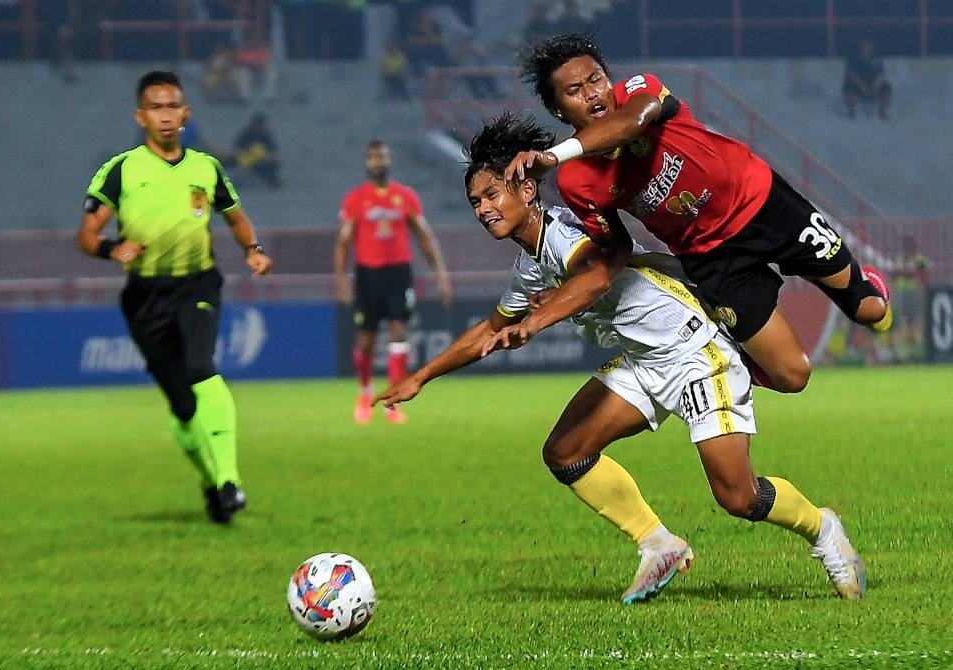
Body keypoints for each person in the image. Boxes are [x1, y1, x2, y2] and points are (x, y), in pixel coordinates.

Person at [376, 113, 865, 602]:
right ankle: (658, 545)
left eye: (491, 194)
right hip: (642, 362)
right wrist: (420, 377)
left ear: (527, 190)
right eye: (475, 202)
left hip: (693, 351)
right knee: (566, 451)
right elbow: (491, 326)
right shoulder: (530, 265)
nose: (483, 209)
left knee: (737, 497)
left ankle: (822, 529)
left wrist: (534, 324)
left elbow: (595, 278)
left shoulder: (567, 230)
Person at [503, 33, 892, 393]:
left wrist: (554, 155)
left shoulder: (640, 90)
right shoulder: (575, 182)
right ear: (557, 109)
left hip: (763, 205)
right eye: (575, 91)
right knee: (791, 377)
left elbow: (629, 125)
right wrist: (569, 289)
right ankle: (733, 351)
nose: (592, 93)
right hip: (712, 258)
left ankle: (868, 285)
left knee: (868, 309)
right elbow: (615, 246)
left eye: (596, 79)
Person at [76, 70, 273, 524]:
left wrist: (253, 250)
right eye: (156, 108)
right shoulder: (121, 169)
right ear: (140, 116)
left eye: (172, 107)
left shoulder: (206, 168)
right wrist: (112, 248)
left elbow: (236, 216)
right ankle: (213, 488)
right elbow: (86, 235)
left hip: (197, 284)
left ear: (185, 113)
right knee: (182, 407)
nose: (165, 117)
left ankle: (229, 479)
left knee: (201, 367)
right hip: (145, 297)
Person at [334, 140, 452, 425]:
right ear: (366, 163)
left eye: (382, 157)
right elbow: (343, 242)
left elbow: (424, 237)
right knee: (366, 341)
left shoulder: (405, 196)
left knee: (399, 332)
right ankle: (365, 393)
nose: (378, 162)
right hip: (367, 275)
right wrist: (340, 280)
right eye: (373, 157)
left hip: (398, 274)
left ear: (390, 161)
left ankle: (392, 403)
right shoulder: (355, 199)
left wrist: (440, 274)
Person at [226, 112, 282, 189]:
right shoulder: (246, 134)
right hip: (247, 160)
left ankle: (273, 181)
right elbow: (238, 149)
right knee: (260, 166)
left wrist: (271, 157)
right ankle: (272, 181)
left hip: (262, 159)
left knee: (267, 166)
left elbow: (272, 150)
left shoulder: (265, 135)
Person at [843, 39, 891, 119]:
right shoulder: (853, 58)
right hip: (858, 85)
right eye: (865, 46)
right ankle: (851, 112)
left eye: (869, 46)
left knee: (886, 88)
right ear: (861, 47)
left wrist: (876, 87)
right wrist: (863, 86)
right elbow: (852, 75)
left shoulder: (876, 59)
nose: (868, 48)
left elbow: (881, 74)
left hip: (873, 85)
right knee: (848, 88)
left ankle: (882, 112)